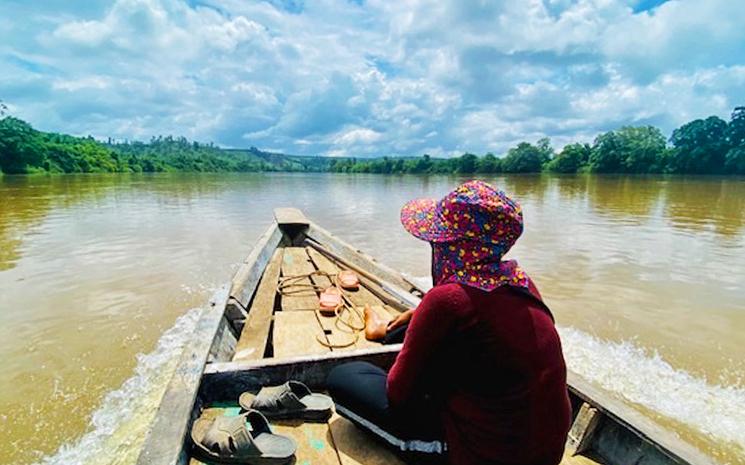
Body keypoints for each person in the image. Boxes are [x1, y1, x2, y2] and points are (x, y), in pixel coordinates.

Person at [327, 180, 572, 465]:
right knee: (429, 335)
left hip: (481, 455)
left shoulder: (446, 300)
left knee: (344, 378)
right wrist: (420, 314)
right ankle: (388, 329)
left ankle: (382, 332)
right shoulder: (521, 282)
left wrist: (428, 312)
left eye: (436, 242)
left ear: (450, 246)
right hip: (548, 452)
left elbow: (398, 394)